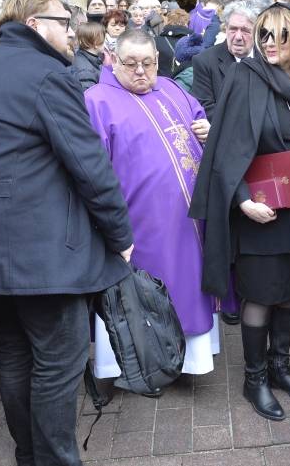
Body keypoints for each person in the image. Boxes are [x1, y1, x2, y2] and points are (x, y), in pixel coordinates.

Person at [0, 0, 136, 465]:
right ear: (34, 24)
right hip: (42, 250)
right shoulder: (48, 73)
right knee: (57, 360)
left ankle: (29, 455)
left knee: (15, 352)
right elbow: (88, 163)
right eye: (63, 20)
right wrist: (121, 234)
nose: (72, 30)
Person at [191, 2, 290, 422]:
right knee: (259, 296)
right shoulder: (247, 77)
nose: (268, 43)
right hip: (259, 209)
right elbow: (224, 147)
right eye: (264, 34)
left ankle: (281, 367)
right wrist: (241, 200)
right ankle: (255, 378)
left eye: (280, 34)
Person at [86, 28, 222, 380]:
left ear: (158, 60)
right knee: (144, 296)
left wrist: (208, 129)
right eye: (131, 63)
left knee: (190, 288)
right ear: (113, 60)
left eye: (148, 62)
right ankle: (141, 365)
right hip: (141, 224)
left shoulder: (173, 87)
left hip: (189, 222)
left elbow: (199, 120)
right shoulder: (96, 100)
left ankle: (191, 362)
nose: (141, 71)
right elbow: (91, 168)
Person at [190, 0, 256, 121]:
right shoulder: (205, 61)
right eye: (233, 29)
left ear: (256, 31)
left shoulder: (267, 58)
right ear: (225, 28)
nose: (237, 37)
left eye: (245, 30)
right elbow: (204, 106)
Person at [72, 21, 105, 90]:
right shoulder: (86, 72)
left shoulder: (86, 58)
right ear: (96, 44)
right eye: (103, 40)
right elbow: (88, 97)